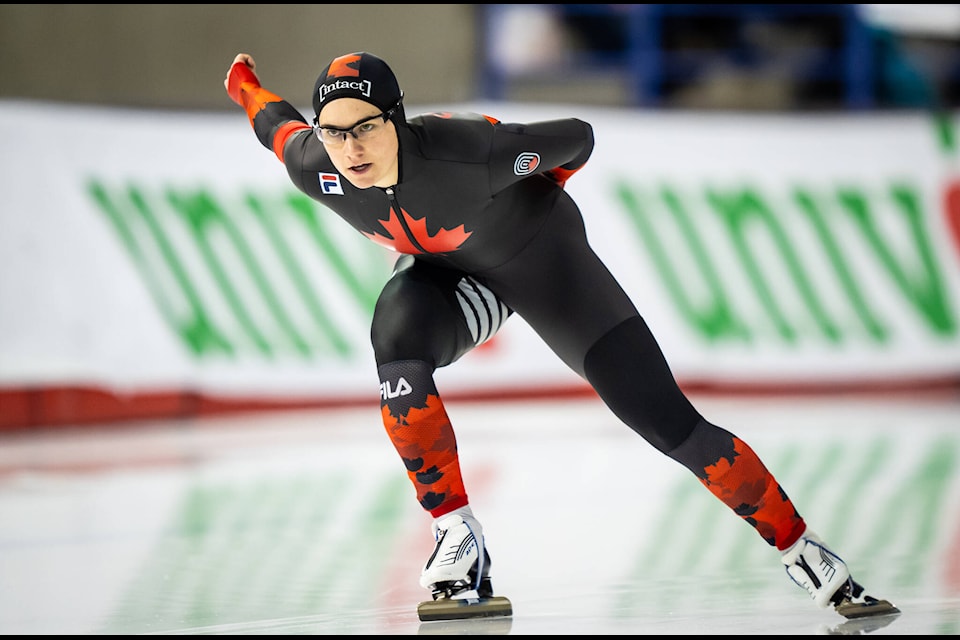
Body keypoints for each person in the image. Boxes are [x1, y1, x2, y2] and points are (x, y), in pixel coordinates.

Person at [223, 51, 892, 618]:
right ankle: (457, 534)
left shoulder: (468, 155)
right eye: (335, 132)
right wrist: (244, 83)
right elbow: (274, 126)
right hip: (452, 276)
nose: (350, 148)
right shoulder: (319, 165)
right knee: (394, 342)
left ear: (396, 118)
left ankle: (805, 553)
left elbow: (577, 134)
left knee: (668, 426)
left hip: (547, 268)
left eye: (365, 128)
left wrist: (542, 198)